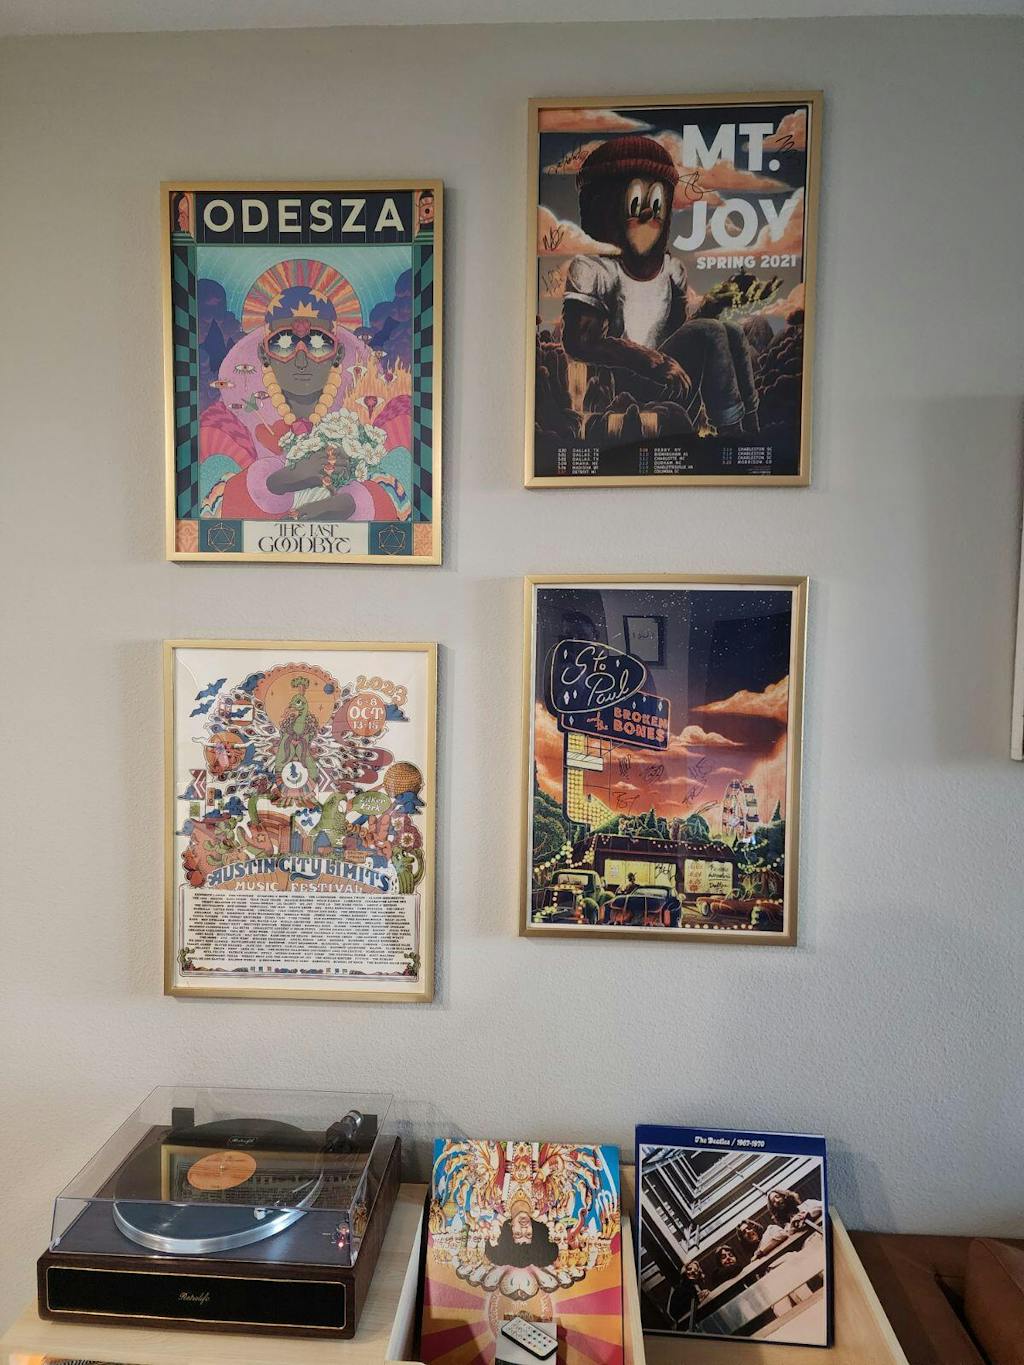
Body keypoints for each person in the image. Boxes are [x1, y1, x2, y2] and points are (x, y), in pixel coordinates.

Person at [560, 136, 758, 439]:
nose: (648, 216)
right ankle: (730, 433)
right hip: (623, 381)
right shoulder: (593, 269)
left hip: (669, 379)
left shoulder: (671, 270)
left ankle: (750, 426)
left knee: (730, 331)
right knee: (710, 331)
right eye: (635, 205)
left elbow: (683, 333)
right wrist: (651, 361)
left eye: (656, 206)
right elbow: (580, 342)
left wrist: (718, 301)